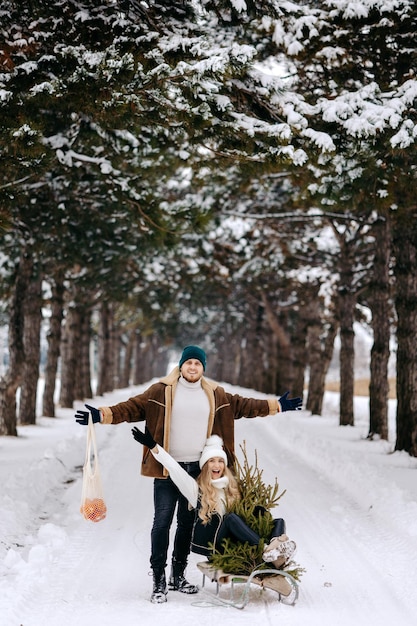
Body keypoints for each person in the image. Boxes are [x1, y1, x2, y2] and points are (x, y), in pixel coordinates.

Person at [75, 345, 302, 604]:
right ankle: (159, 580)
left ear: (203, 368)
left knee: (186, 524)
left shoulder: (216, 395)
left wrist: (277, 405)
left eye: (198, 363)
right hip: (166, 467)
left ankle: (178, 576)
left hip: (198, 471)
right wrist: (101, 414)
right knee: (162, 522)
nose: (193, 367)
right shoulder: (161, 391)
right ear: (181, 366)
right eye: (189, 363)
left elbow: (246, 405)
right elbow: (131, 408)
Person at [131, 429, 297, 571]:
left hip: (234, 542)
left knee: (278, 521)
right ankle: (268, 550)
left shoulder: (231, 488)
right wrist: (153, 447)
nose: (216, 465)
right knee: (231, 518)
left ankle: (276, 548)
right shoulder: (196, 488)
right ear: (205, 465)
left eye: (220, 461)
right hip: (214, 546)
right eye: (211, 461)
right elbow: (175, 469)